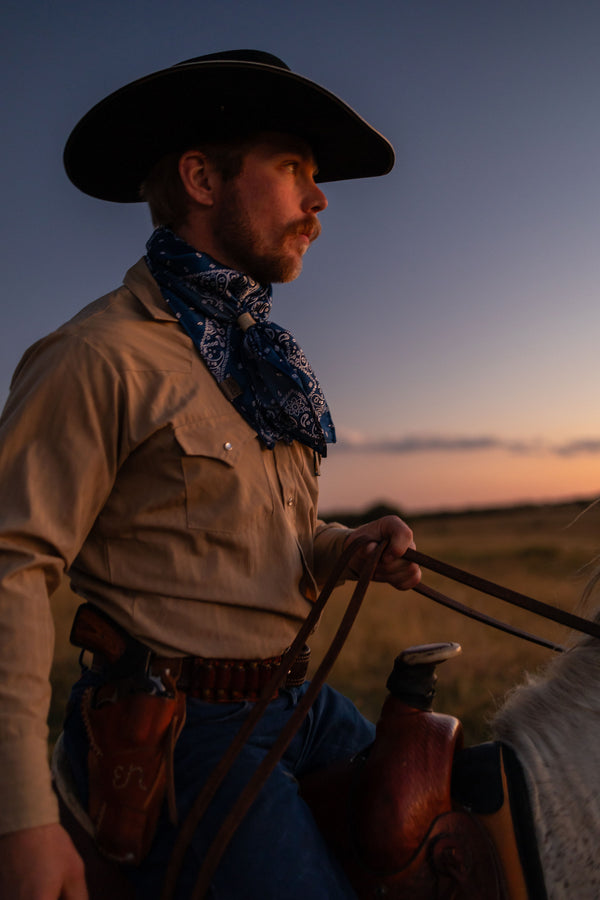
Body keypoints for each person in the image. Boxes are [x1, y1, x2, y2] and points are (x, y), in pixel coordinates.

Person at [0, 50, 421, 899]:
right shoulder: (99, 356)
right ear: (201, 177)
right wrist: (20, 820)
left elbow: (267, 539)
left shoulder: (260, 363)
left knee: (451, 820)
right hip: (182, 728)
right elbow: (9, 569)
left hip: (299, 702)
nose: (319, 199)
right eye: (293, 168)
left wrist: (341, 549)